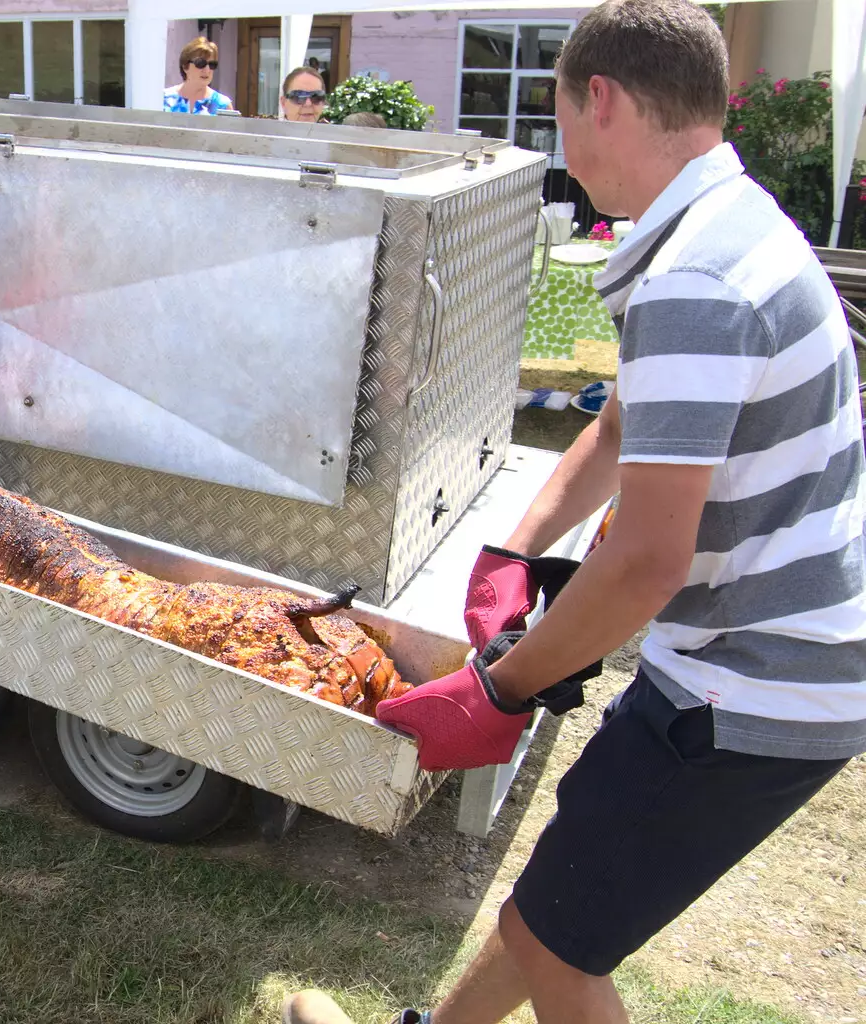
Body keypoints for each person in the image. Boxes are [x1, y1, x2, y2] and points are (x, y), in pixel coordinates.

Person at [284, 1, 864, 1022]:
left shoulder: (697, 283)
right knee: (551, 916)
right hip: (772, 668)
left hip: (745, 691)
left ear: (599, 97)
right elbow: (615, 430)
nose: (564, 152)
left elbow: (646, 563)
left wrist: (496, 690)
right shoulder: (725, 228)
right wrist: (517, 543)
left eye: (556, 121)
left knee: (561, 950)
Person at [163, 36, 234, 115]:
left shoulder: (222, 105)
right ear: (185, 66)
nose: (207, 70)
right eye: (200, 63)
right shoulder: (163, 99)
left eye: (212, 64)